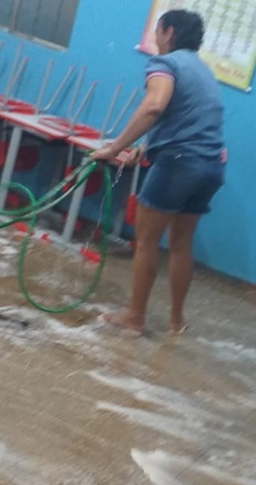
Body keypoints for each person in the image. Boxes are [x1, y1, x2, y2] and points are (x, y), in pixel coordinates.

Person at [91, 9, 225, 336]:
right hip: (211, 166)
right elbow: (189, 118)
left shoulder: (166, 64)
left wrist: (114, 148)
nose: (154, 37)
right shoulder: (203, 70)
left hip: (180, 162)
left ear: (168, 32)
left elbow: (155, 106)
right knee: (181, 244)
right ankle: (176, 321)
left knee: (147, 239)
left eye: (157, 30)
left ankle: (135, 316)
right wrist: (147, 148)